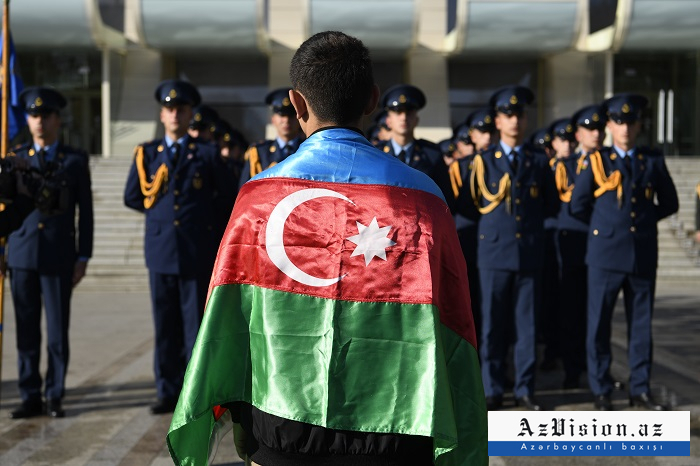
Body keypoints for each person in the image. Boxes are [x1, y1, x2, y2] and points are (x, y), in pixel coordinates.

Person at [167, 31, 487, 466]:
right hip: (397, 427)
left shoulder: (258, 197)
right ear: (374, 100)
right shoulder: (424, 199)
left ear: (297, 104)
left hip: (281, 426)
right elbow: (455, 317)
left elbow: (227, 311)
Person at [123, 79, 236, 415]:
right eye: (170, 109)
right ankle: (166, 390)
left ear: (190, 114)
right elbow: (133, 196)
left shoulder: (206, 153)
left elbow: (228, 198)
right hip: (160, 252)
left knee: (194, 328)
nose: (175, 114)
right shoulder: (147, 153)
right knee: (165, 327)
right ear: (162, 114)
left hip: (195, 251)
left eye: (182, 109)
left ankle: (194, 392)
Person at [570, 93, 679, 411]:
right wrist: (604, 226)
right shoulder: (598, 161)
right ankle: (601, 389)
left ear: (639, 124)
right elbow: (578, 205)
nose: (625, 128)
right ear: (610, 126)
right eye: (619, 122)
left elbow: (670, 202)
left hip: (642, 254)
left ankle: (640, 389)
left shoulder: (652, 160)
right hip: (605, 255)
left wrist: (644, 222)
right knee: (599, 324)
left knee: (641, 326)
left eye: (630, 122)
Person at [2, 87, 94, 419]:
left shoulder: (73, 160)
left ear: (57, 119)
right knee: (26, 331)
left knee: (56, 332)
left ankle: (54, 394)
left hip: (58, 256)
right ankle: (29, 395)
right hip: (23, 255)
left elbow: (86, 212)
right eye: (34, 116)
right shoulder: (16, 158)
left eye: (45, 116)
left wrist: (83, 256)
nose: (39, 122)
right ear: (27, 119)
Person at [469, 85, 559, 411]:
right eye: (508, 114)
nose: (515, 120)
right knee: (492, 326)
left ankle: (524, 388)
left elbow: (549, 204)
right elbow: (468, 205)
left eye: (519, 114)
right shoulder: (482, 162)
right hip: (493, 253)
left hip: (528, 254)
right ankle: (492, 388)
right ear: (497, 120)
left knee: (527, 327)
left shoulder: (538, 161)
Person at [238, 88, 304, 188]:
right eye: (282, 115)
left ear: (298, 117)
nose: (286, 120)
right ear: (273, 119)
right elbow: (245, 192)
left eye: (291, 115)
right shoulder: (259, 152)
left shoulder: (309, 149)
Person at [374, 84, 441, 175]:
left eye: (409, 112)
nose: (404, 118)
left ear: (416, 120)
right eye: (398, 111)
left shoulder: (432, 154)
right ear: (388, 121)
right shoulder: (376, 153)